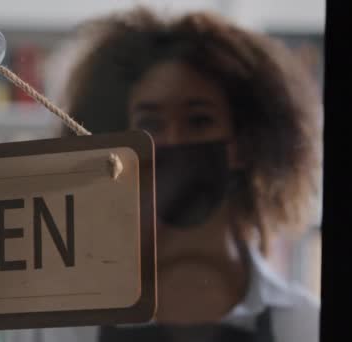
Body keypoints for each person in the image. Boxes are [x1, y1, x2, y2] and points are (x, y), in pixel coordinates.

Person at [55, 6, 322, 342]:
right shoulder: (74, 326)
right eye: (151, 124)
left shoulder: (306, 325)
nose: (174, 141)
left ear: (243, 143)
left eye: (199, 121)